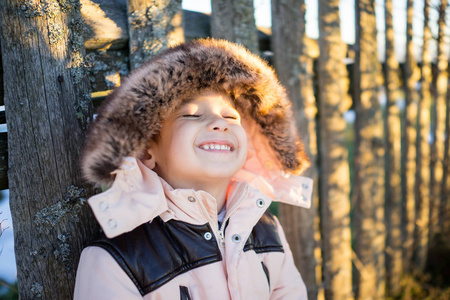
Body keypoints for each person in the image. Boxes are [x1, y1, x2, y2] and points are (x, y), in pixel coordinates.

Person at [74, 38, 313, 300]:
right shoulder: (118, 258)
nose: (218, 123)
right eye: (192, 115)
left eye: (231, 116)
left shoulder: (268, 230)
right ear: (147, 151)